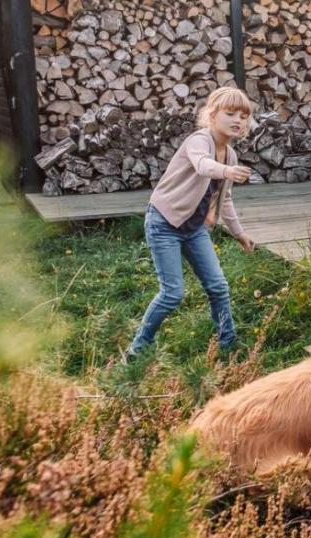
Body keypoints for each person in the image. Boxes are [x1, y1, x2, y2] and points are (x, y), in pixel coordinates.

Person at [127, 86, 256, 358]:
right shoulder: (199, 141)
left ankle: (228, 345)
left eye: (243, 116)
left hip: (194, 229)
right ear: (212, 115)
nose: (237, 120)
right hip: (164, 224)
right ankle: (138, 350)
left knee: (218, 286)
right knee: (173, 293)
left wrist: (239, 233)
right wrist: (227, 171)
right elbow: (202, 165)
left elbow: (226, 199)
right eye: (230, 113)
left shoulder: (230, 154)